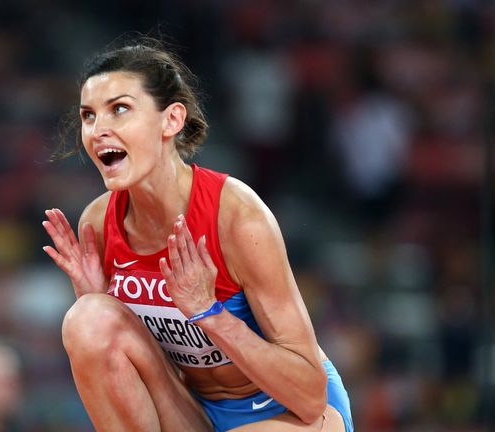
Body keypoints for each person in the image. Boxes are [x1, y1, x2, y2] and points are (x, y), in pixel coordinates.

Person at [43, 38, 354, 432]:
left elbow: (309, 397)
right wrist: (100, 298)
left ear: (171, 120)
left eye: (119, 109)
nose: (98, 129)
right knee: (88, 320)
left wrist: (211, 314)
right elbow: (128, 368)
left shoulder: (237, 216)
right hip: (194, 411)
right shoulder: (98, 222)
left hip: (287, 412)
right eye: (89, 116)